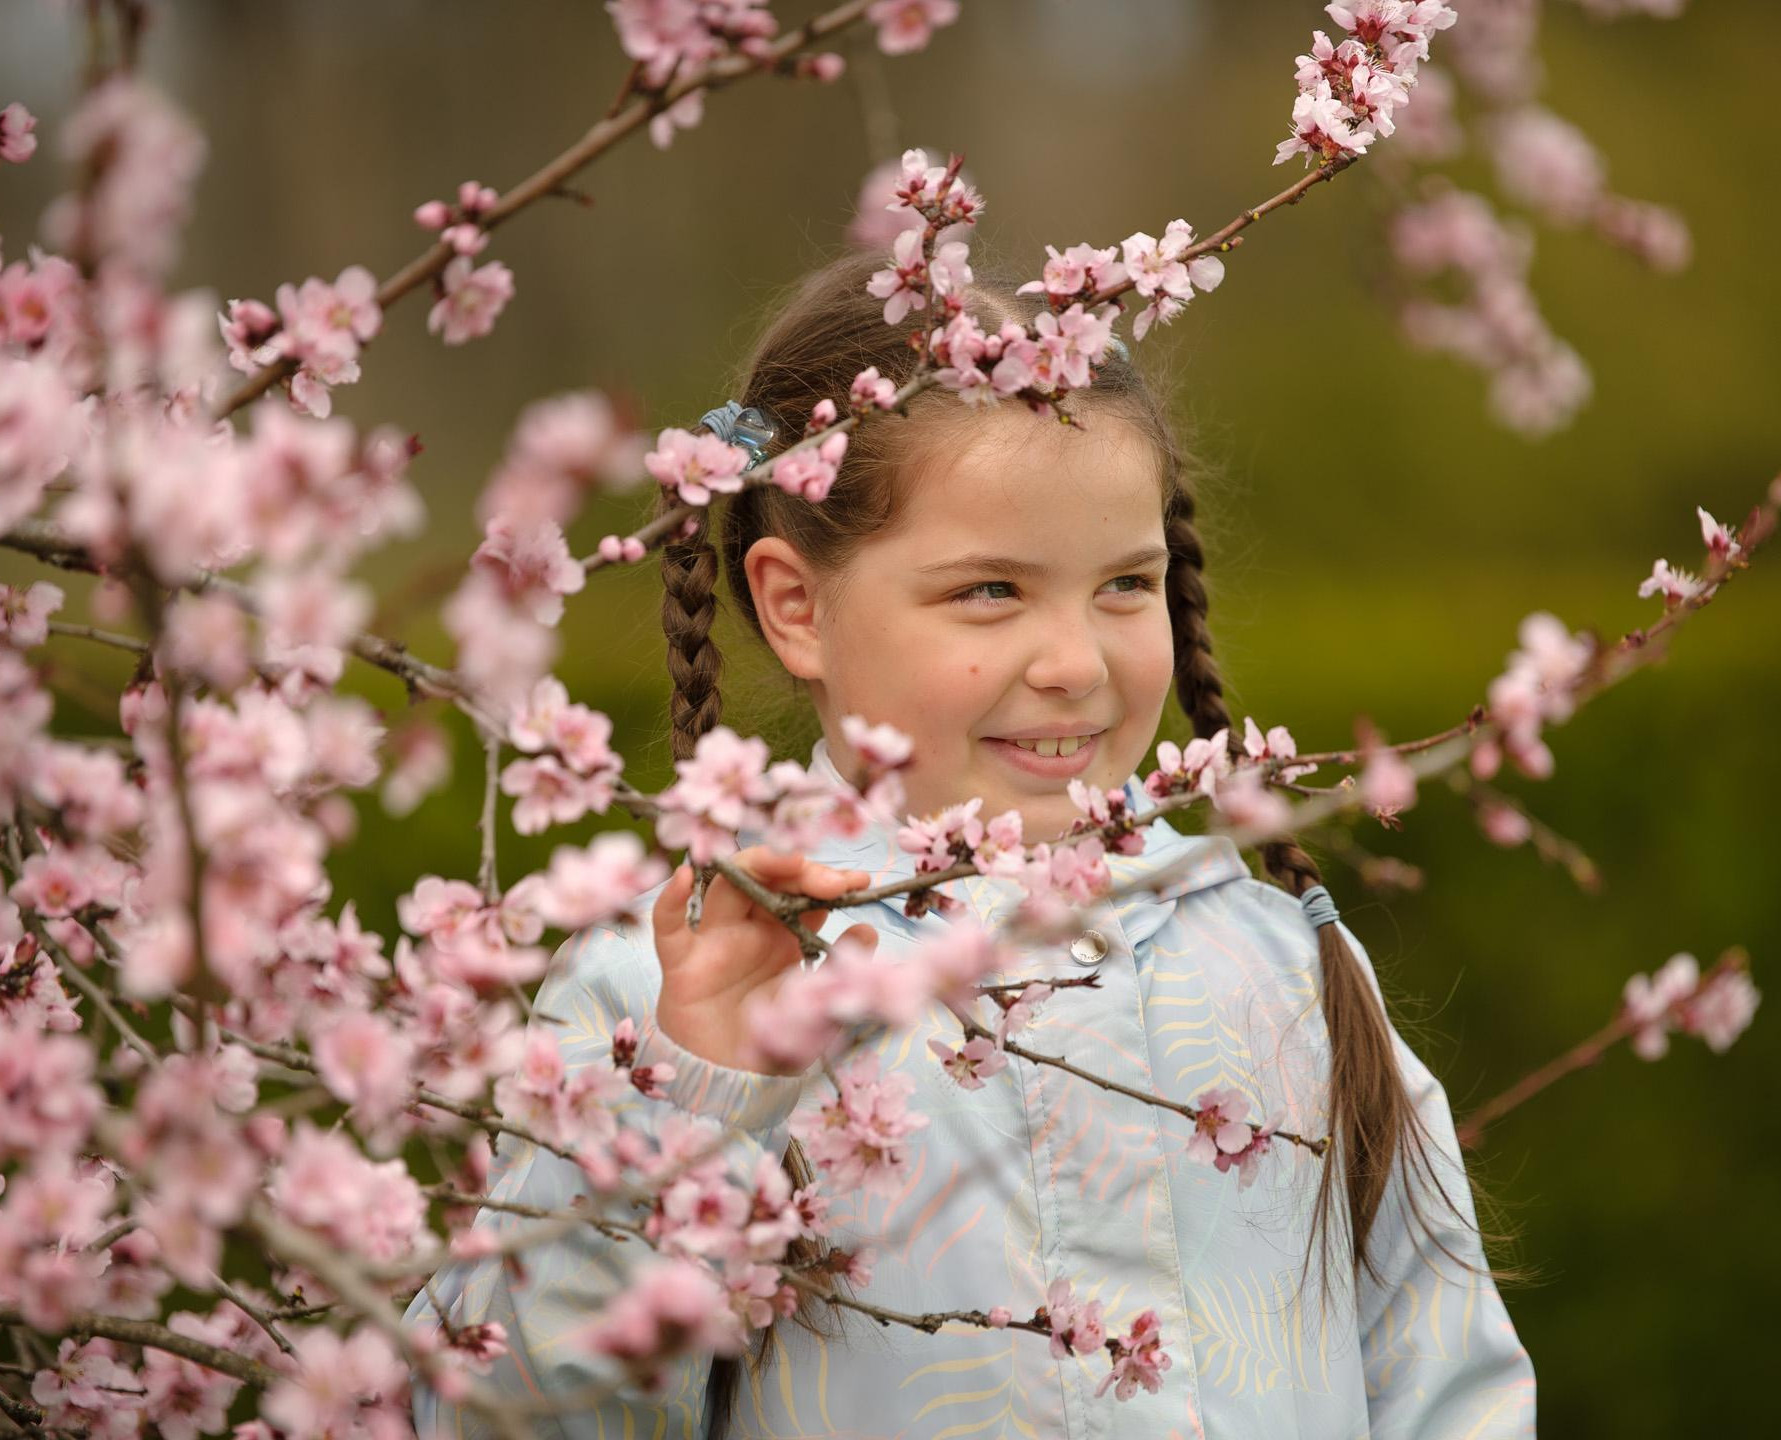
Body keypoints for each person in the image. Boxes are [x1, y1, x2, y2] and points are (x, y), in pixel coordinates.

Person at [403, 249, 1536, 1438]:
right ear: (796, 606)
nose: (1074, 664)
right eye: (989, 591)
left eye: (1123, 586)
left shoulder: (1283, 970)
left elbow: (1447, 1386)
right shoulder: (667, 995)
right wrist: (691, 1097)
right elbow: (513, 1418)